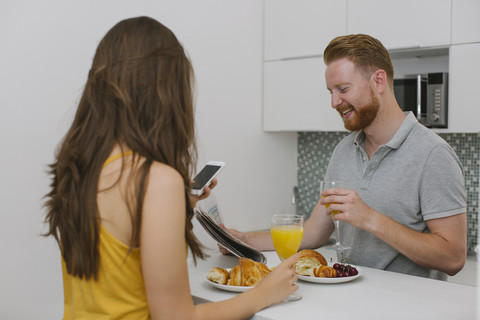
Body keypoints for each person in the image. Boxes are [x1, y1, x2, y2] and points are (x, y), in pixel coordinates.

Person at [44, 16, 300, 320]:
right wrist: (263, 294)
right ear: (166, 90)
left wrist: (181, 205)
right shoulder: (155, 180)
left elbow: (118, 254)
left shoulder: (81, 166)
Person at [221, 34, 467, 280]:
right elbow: (312, 233)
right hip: (347, 302)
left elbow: (453, 258)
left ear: (378, 81)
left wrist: (371, 219)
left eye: (343, 89)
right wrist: (243, 240)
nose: (334, 102)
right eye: (330, 91)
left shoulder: (433, 154)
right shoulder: (344, 150)